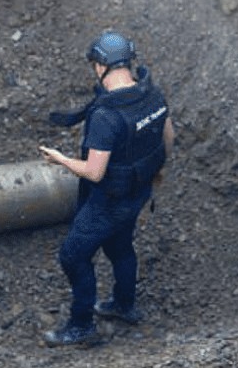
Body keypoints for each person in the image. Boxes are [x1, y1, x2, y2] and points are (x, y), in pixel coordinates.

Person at [38, 31, 175, 346]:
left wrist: (60, 159)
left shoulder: (106, 116)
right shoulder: (153, 95)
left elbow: (94, 172)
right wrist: (158, 169)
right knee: (119, 246)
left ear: (101, 66)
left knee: (72, 256)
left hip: (109, 199)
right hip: (138, 192)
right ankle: (124, 305)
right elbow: (169, 137)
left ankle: (81, 324)